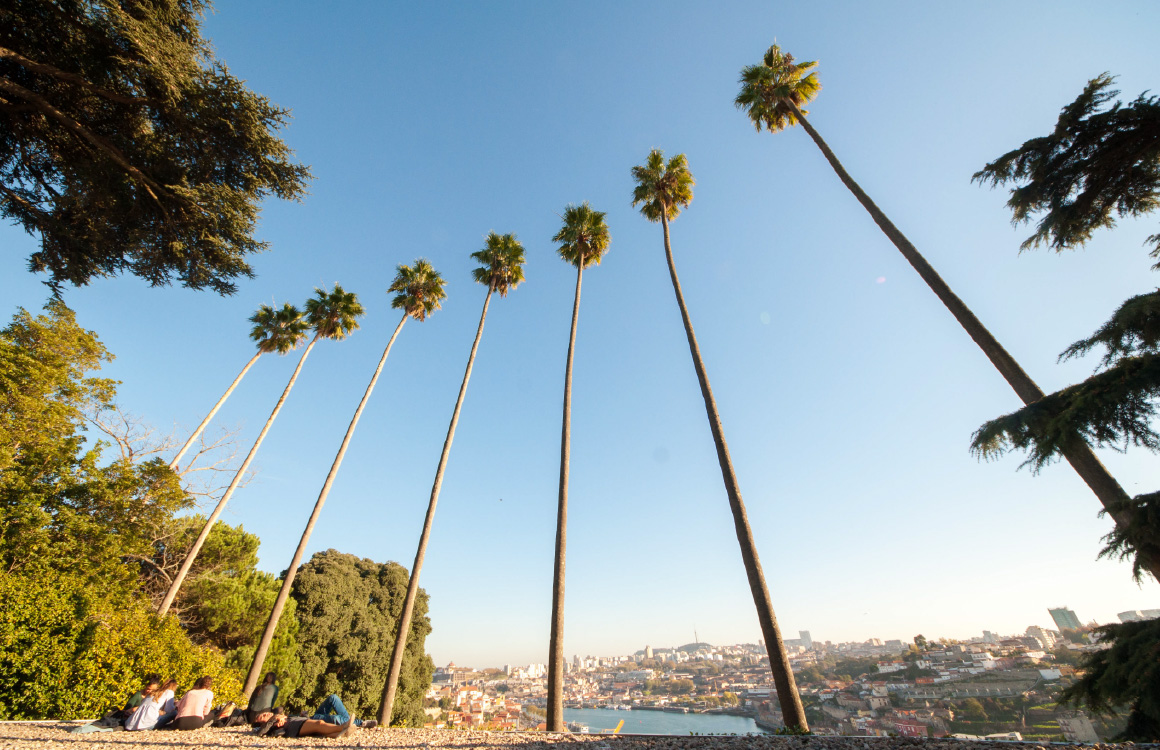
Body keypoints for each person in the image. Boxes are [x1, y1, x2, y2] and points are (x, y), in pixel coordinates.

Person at [69, 675, 160, 733]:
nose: (149, 691)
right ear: (145, 687)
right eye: (148, 689)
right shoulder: (138, 695)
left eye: (152, 690)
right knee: (107, 723)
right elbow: (127, 708)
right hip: (128, 717)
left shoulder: (154, 698)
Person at [252, 711, 357, 739]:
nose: (266, 714)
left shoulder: (280, 716)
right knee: (319, 724)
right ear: (261, 722)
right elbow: (260, 733)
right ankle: (342, 727)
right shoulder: (267, 725)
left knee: (319, 731)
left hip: (297, 721)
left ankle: (340, 733)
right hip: (293, 726)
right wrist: (273, 719)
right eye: (262, 716)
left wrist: (282, 717)